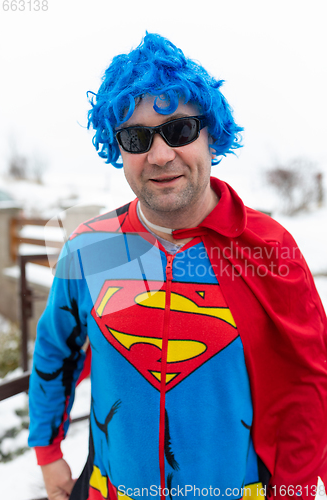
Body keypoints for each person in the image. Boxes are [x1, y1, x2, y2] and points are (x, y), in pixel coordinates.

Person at [28, 33, 327, 500]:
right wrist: (48, 455)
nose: (161, 155)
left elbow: (308, 385)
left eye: (179, 130)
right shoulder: (92, 248)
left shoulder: (268, 247)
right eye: (137, 137)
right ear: (118, 149)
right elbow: (55, 352)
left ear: (211, 135)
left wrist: (296, 492)